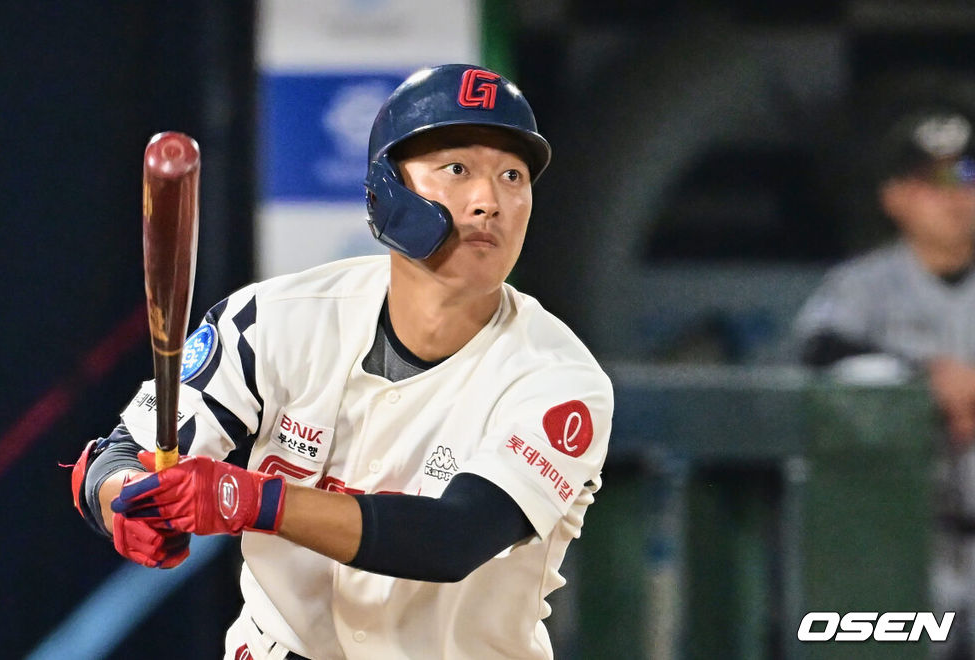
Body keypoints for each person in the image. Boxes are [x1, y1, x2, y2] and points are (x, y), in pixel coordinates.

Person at [69, 63, 614, 660]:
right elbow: (119, 456)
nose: (489, 202)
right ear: (387, 189)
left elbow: (454, 539)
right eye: (457, 169)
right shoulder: (276, 319)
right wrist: (126, 501)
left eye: (512, 176)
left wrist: (252, 499)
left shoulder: (559, 378)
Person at [793, 103, 975, 656]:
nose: (955, 195)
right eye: (932, 180)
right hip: (905, 543)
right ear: (894, 196)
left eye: (967, 176)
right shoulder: (861, 288)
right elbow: (817, 353)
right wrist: (923, 378)